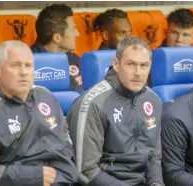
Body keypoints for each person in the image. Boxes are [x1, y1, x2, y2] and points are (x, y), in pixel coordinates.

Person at [66, 36, 164, 186]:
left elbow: (154, 158)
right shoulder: (93, 103)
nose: (138, 72)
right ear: (116, 64)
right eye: (131, 64)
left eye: (144, 65)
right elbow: (85, 171)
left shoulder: (154, 100)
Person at [0, 40, 79, 186]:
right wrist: (30, 176)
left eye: (28, 66)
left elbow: (65, 140)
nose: (24, 72)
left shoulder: (47, 96)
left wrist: (65, 171)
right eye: (15, 65)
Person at [31, 4, 83, 93]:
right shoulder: (28, 64)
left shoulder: (74, 58)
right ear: (57, 38)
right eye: (73, 29)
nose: (77, 33)